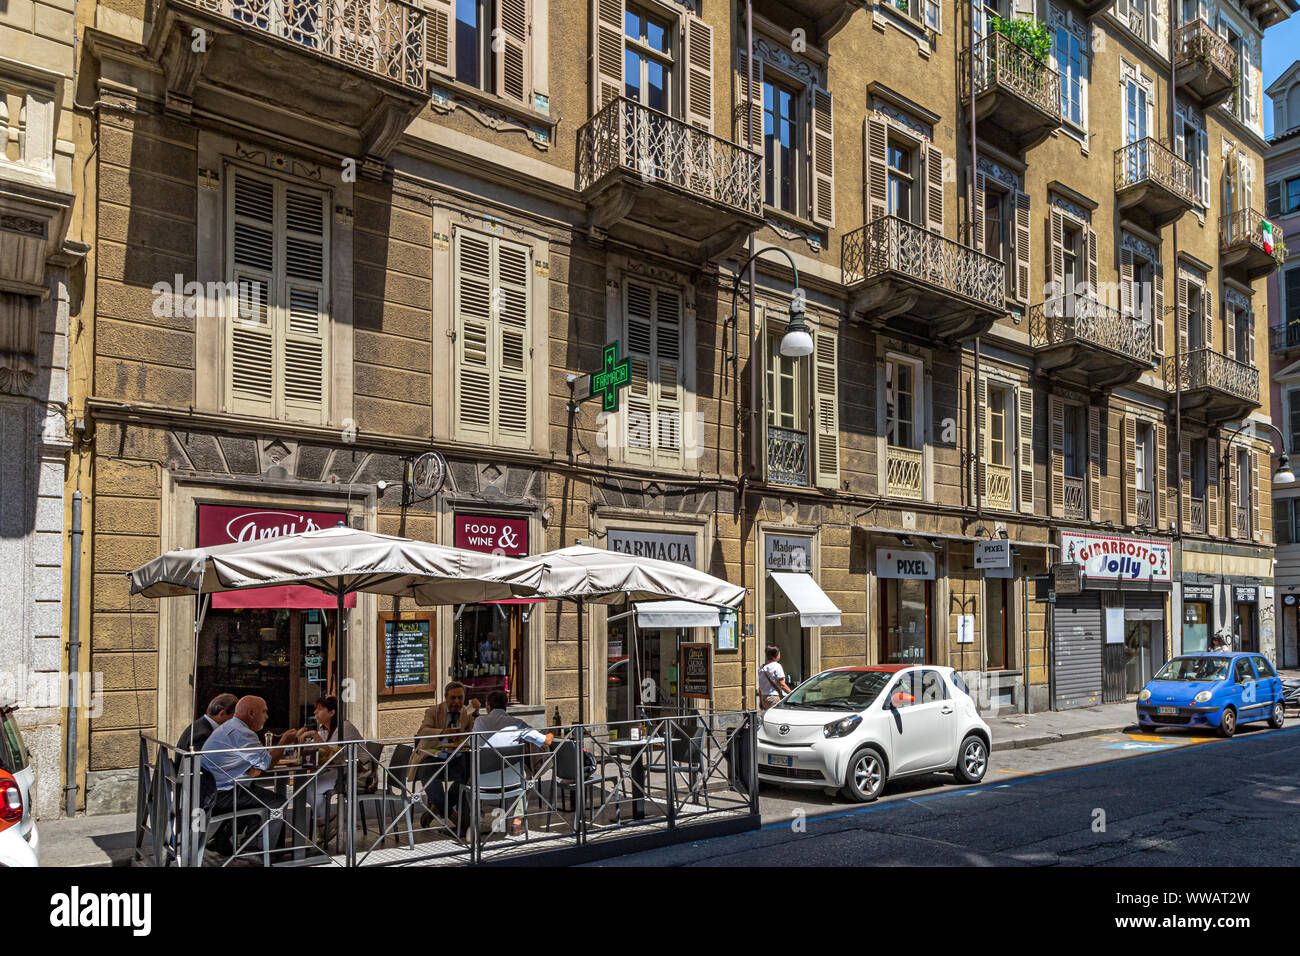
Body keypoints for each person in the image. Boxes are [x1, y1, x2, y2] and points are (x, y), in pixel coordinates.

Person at [201, 695, 299, 856]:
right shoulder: (242, 733)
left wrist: (249, 767)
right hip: (220, 794)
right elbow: (266, 764)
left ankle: (249, 843)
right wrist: (284, 742)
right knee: (277, 802)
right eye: (264, 712)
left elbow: (254, 761)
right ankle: (266, 853)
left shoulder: (229, 727)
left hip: (211, 789)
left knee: (257, 794)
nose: (267, 717)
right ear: (251, 713)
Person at [296, 696, 376, 824]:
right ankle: (326, 819)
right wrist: (300, 738)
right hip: (340, 770)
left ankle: (326, 820)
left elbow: (332, 754)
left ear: (332, 712)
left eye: (319, 709)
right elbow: (318, 752)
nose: (315, 712)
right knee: (303, 784)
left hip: (358, 775)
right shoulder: (324, 730)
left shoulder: (345, 727)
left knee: (310, 788)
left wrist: (314, 736)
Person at [758, 645, 792, 710]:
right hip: (774, 698)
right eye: (779, 653)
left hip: (764, 698)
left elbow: (760, 687)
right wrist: (792, 694)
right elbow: (782, 684)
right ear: (776, 655)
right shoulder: (777, 666)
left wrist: (761, 701)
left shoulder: (761, 668)